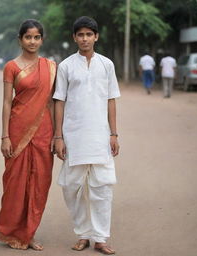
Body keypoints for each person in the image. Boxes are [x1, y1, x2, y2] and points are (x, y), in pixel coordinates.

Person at [53, 16, 120, 255]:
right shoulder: (66, 66)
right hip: (73, 136)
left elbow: (111, 99)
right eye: (80, 34)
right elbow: (59, 101)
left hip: (100, 136)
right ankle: (83, 234)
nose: (84, 38)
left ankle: (100, 238)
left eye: (88, 34)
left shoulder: (107, 65)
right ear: (74, 37)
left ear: (96, 37)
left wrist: (113, 133)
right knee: (71, 187)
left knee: (102, 188)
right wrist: (58, 136)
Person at [0, 19, 56, 250]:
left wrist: (57, 135)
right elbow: (6, 102)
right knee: (15, 183)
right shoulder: (11, 66)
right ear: (20, 39)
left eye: (37, 37)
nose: (33, 41)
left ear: (42, 39)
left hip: (44, 131)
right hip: (17, 130)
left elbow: (51, 103)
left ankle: (29, 232)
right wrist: (5, 136)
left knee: (40, 182)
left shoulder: (50, 67)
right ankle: (12, 230)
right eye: (28, 37)